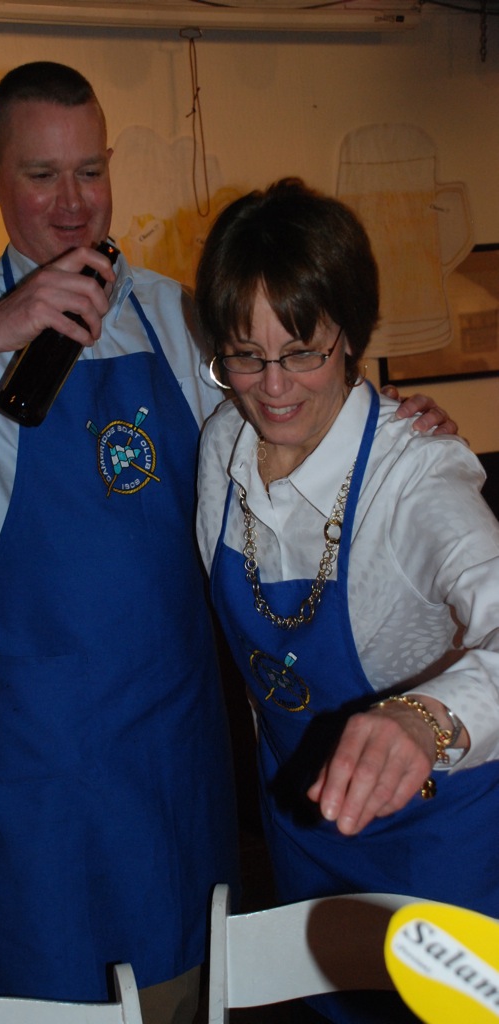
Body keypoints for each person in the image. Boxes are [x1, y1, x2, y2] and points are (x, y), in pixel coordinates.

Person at [0, 65, 455, 1023]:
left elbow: (288, 400)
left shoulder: (174, 313)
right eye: (41, 176)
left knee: (193, 993)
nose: (73, 205)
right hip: (42, 781)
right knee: (58, 1003)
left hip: (177, 756)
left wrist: (390, 423)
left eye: (91, 171)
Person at [194, 178, 499, 1023]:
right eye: (244, 355)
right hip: (305, 838)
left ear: (351, 336)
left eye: (303, 352)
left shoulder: (416, 478)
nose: (273, 388)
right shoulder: (222, 440)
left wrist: (424, 719)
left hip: (439, 851)